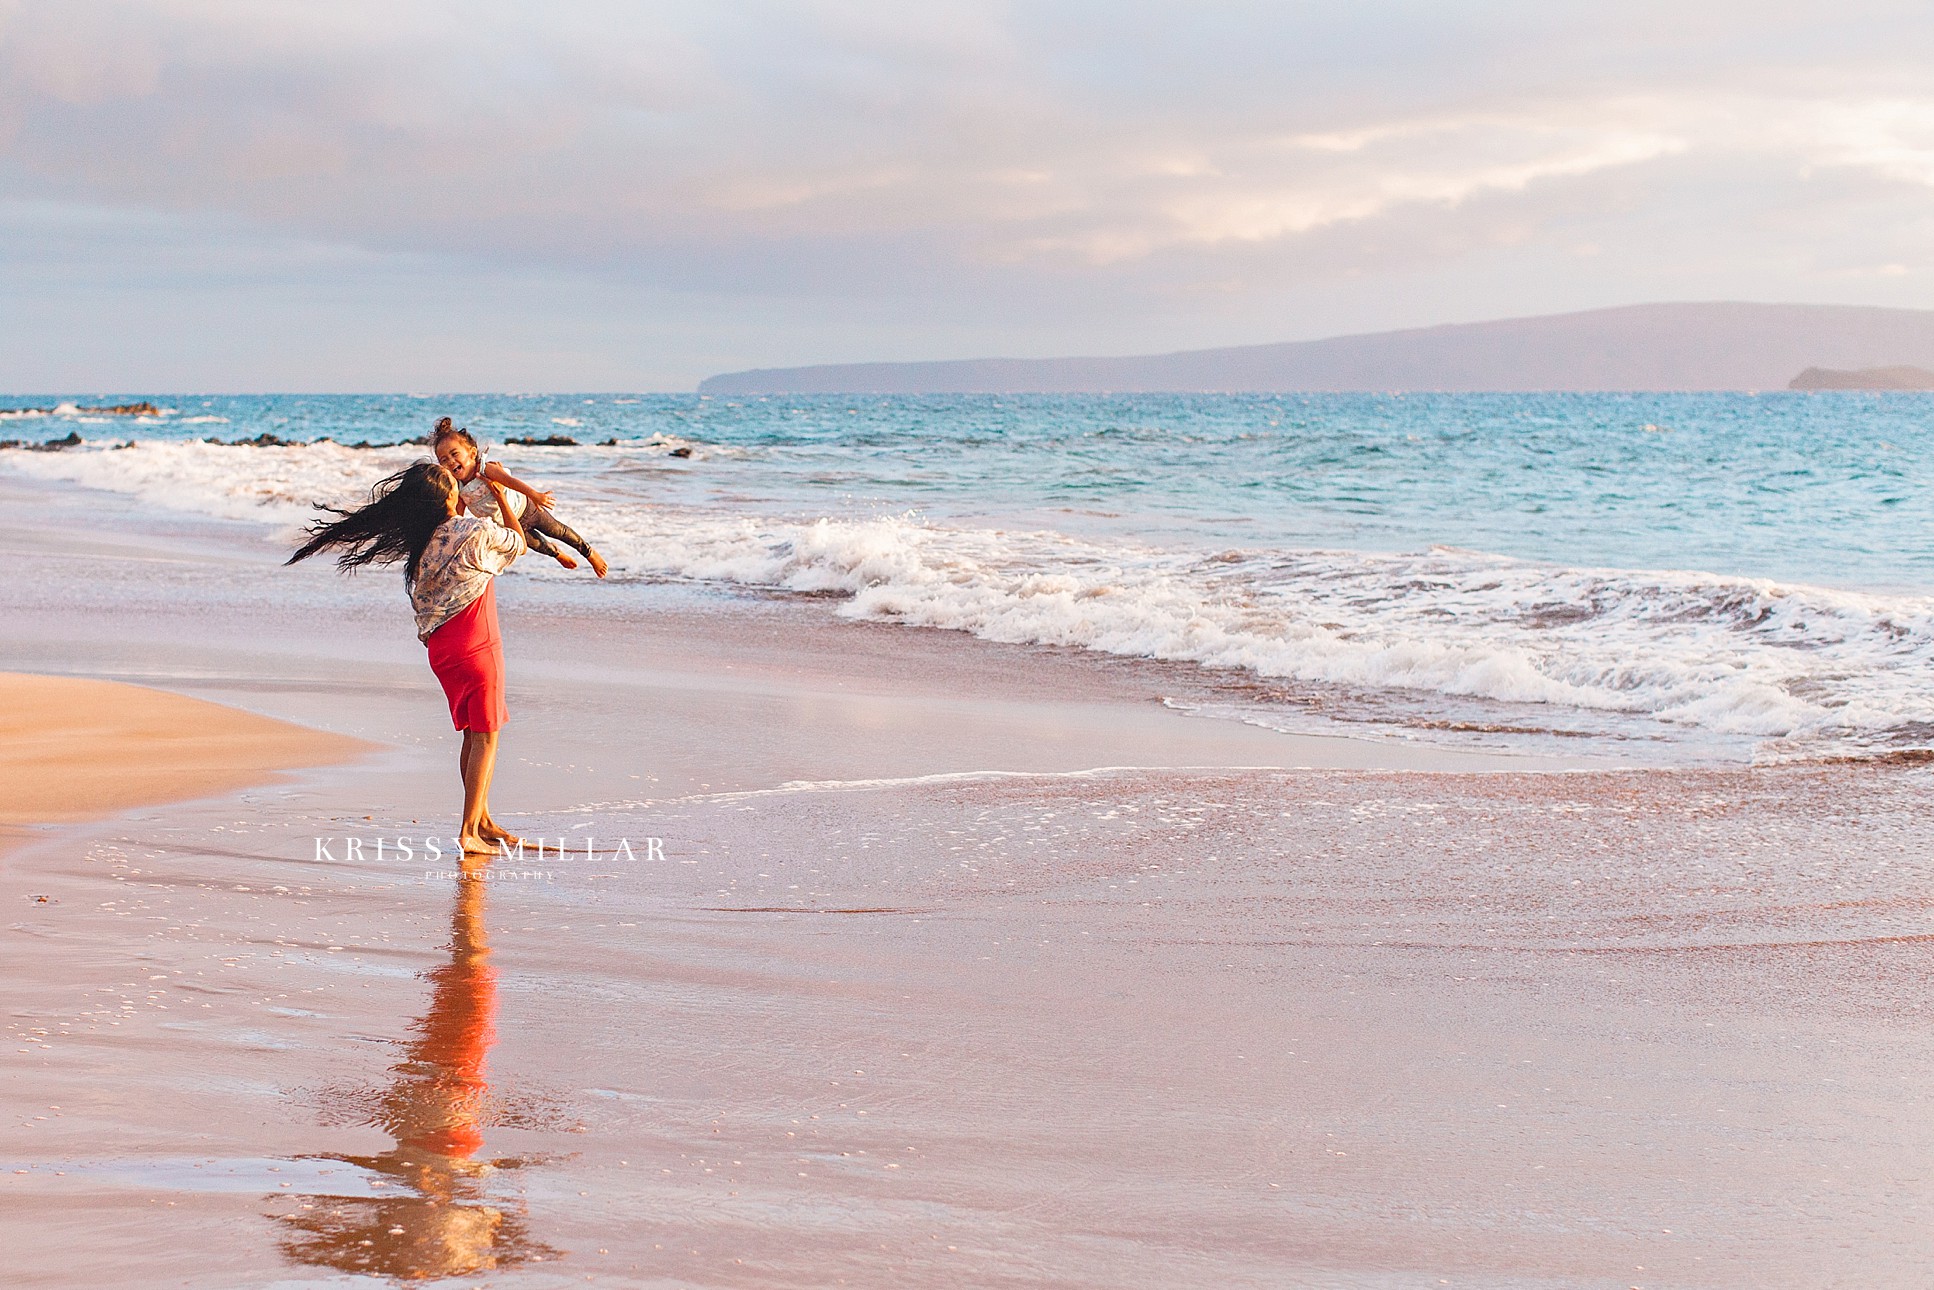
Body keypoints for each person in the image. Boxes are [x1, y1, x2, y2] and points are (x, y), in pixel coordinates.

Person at [287, 462, 527, 855]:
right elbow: (517, 545)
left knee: (474, 730)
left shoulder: (424, 544)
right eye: (455, 484)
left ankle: (482, 818)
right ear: (450, 497)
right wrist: (500, 494)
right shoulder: (474, 532)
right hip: (476, 641)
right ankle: (469, 831)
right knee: (486, 733)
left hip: (443, 649)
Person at [431, 417, 608, 578]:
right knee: (539, 546)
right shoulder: (458, 487)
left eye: (455, 454)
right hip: (508, 526)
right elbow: (457, 514)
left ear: (471, 452)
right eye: (444, 460)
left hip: (526, 509)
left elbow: (511, 481)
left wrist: (535, 495)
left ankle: (588, 552)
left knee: (558, 531)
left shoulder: (484, 469)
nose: (451, 462)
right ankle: (557, 554)